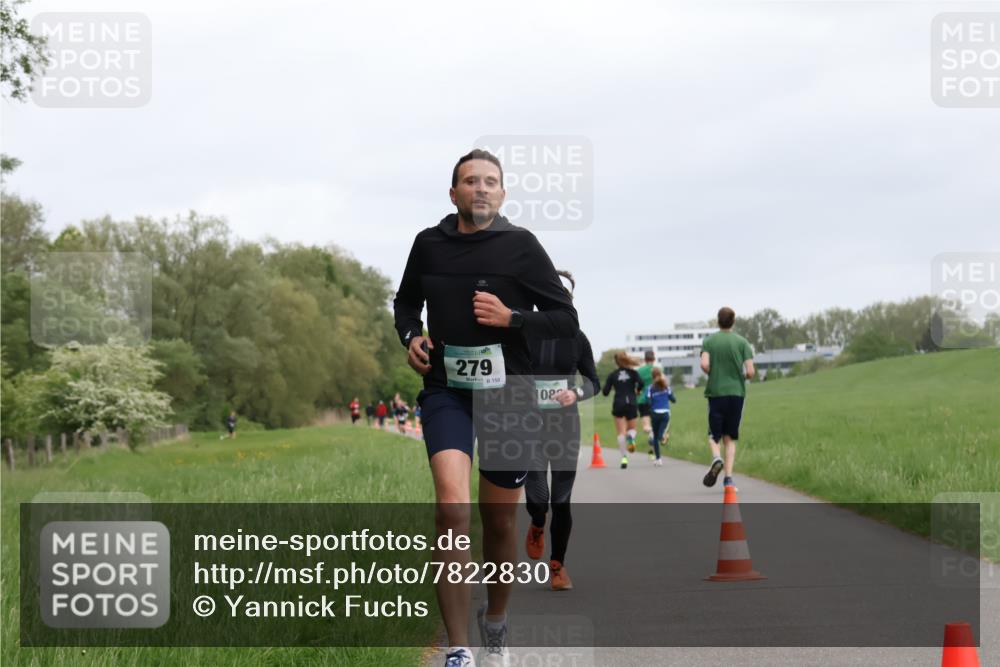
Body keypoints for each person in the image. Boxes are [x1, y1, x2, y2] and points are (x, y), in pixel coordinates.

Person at [394, 149, 578, 667]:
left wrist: (513, 318)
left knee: (498, 523)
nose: (480, 188)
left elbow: (565, 320)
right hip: (446, 389)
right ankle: (459, 648)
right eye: (470, 181)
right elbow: (405, 302)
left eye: (490, 182)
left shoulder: (521, 247)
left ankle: (494, 622)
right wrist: (411, 336)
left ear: (502, 194)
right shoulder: (427, 245)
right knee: (451, 510)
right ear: (453, 194)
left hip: (509, 394)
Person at [523, 270, 600, 592]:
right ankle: (537, 524)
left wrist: (576, 394)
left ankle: (558, 566)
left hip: (565, 426)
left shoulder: (577, 339)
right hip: (531, 425)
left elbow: (593, 382)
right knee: (539, 499)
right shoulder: (526, 334)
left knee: (562, 500)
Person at [700, 306, 755, 489]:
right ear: (733, 321)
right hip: (737, 393)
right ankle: (728, 479)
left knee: (713, 435)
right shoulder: (742, 342)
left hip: (716, 392)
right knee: (730, 437)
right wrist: (741, 377)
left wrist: (713, 372)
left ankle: (717, 458)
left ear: (718, 320)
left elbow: (705, 364)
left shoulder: (709, 341)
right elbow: (751, 371)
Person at [602, 352, 643, 469]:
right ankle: (631, 438)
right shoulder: (633, 373)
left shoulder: (613, 375)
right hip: (631, 402)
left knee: (621, 433)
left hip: (618, 403)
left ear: (616, 362)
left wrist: (613, 387)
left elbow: (605, 392)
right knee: (632, 429)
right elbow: (641, 383)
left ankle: (624, 458)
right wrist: (638, 390)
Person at [644, 367, 677, 466]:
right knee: (656, 437)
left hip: (655, 414)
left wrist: (653, 405)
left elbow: (648, 401)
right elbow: (674, 400)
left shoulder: (650, 388)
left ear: (652, 376)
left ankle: (659, 457)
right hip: (665, 414)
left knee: (656, 437)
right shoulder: (666, 387)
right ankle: (658, 458)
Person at [635, 349, 662, 457]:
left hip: (643, 400)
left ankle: (651, 448)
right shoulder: (658, 370)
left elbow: (637, 387)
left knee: (647, 426)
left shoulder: (640, 371)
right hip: (657, 400)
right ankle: (653, 447)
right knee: (656, 425)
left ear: (645, 359)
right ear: (654, 359)